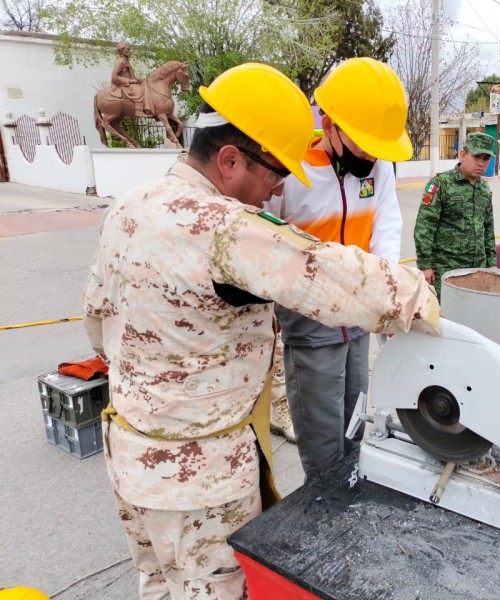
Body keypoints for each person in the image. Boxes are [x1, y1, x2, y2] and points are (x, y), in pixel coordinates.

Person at [82, 62, 440, 599]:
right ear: (230, 159)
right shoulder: (225, 228)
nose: (277, 191)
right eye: (274, 174)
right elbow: (332, 276)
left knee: (159, 583)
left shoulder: (131, 205)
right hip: (200, 480)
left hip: (131, 460)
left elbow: (95, 324)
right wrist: (424, 305)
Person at [263, 57, 409, 480]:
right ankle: (324, 505)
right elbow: (264, 243)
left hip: (359, 323)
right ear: (328, 125)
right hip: (310, 329)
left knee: (356, 426)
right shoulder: (292, 170)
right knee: (324, 444)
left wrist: (384, 291)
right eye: (363, 143)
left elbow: (387, 225)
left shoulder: (378, 166)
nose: (371, 155)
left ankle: (349, 495)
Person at [414, 132, 497, 298]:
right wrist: (425, 265)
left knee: (473, 314)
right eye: (477, 157)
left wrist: (492, 263)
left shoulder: (484, 189)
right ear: (463, 154)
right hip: (446, 269)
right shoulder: (441, 184)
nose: (481, 163)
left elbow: (488, 228)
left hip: (477, 269)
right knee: (445, 318)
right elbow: (425, 226)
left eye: (486, 158)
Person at [110, 43, 154, 117]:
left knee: (145, 84)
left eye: (129, 49)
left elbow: (131, 76)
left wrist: (138, 80)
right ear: (122, 51)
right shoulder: (120, 62)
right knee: (139, 89)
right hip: (125, 85)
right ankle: (138, 111)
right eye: (127, 49)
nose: (129, 51)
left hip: (131, 83)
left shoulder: (126, 61)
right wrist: (130, 81)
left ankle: (148, 108)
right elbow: (114, 77)